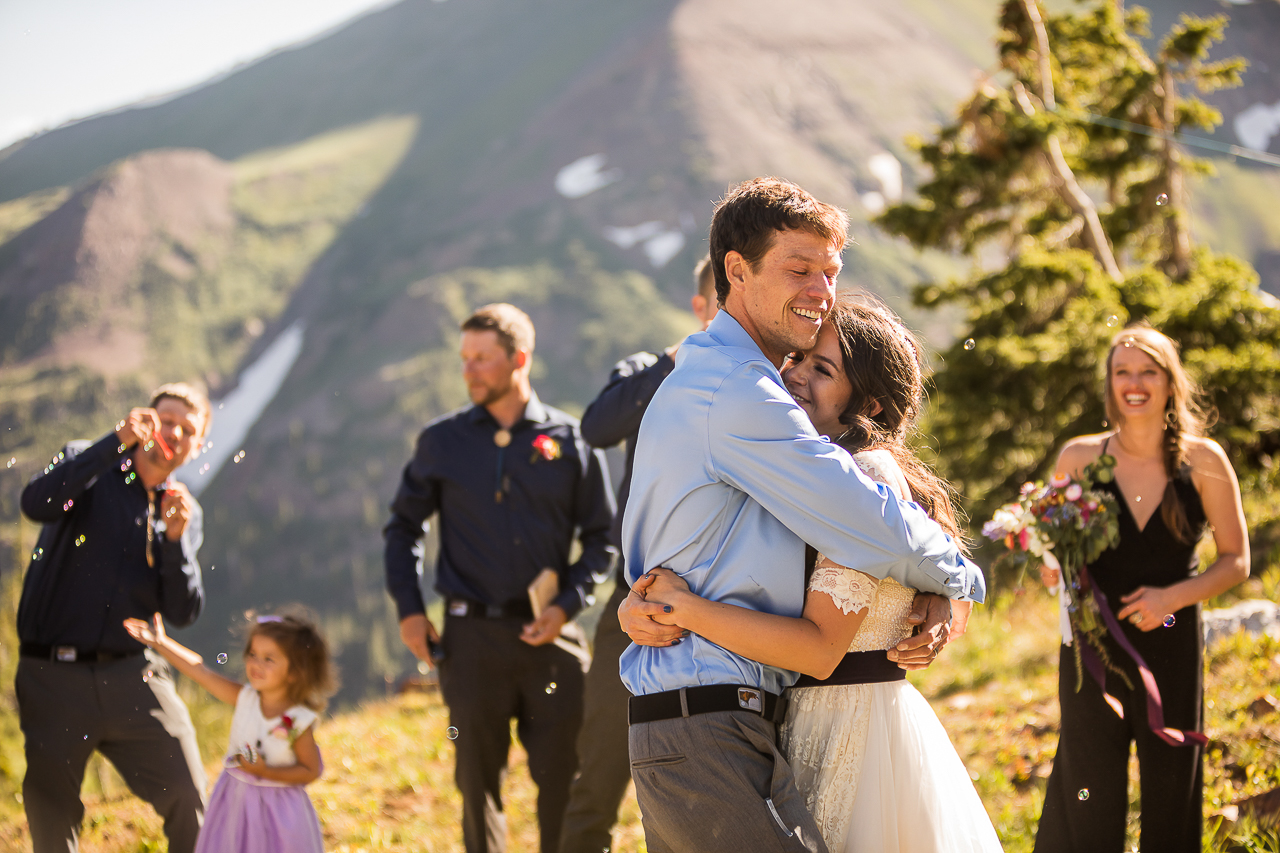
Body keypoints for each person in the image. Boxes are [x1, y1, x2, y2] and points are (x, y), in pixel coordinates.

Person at [616, 177, 985, 853]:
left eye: (831, 272)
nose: (822, 290)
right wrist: (960, 576)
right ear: (736, 270)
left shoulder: (715, 379)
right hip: (711, 729)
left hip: (721, 725)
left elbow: (697, 543)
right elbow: (867, 523)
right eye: (799, 270)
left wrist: (928, 588)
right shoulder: (740, 391)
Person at [383, 303, 616, 853]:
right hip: (468, 646)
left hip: (552, 640)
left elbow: (603, 539)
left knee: (563, 782)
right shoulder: (441, 442)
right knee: (475, 786)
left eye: (482, 359)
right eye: (464, 359)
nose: (469, 371)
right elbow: (402, 528)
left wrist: (565, 604)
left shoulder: (571, 439)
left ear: (520, 359)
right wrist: (410, 610)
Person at [1033, 323, 1249, 853]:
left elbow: (1236, 561)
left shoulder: (1204, 461)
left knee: (1172, 789)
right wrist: (1053, 564)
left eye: (1148, 372)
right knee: (1088, 789)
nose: (1135, 383)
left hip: (1171, 648)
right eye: (1122, 372)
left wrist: (1170, 599)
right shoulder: (1079, 459)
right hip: (1092, 652)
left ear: (1170, 382)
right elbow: (1051, 549)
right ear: (1109, 384)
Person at [557, 256, 720, 853]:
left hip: (724, 610)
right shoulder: (651, 369)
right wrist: (678, 361)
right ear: (699, 308)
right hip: (636, 598)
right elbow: (597, 426)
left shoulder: (762, 384)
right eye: (718, 308)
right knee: (597, 768)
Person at [16, 383, 210, 853]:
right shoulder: (88, 460)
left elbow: (183, 612)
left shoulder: (183, 511)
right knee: (51, 811)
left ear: (197, 447)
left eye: (188, 431)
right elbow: (36, 503)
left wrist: (175, 540)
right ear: (144, 418)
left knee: (189, 795)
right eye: (167, 421)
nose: (175, 434)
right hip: (53, 674)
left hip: (135, 676)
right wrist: (113, 443)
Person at [122, 610, 335, 853]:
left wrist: (266, 771)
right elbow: (201, 671)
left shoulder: (298, 721)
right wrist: (160, 642)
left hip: (278, 813)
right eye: (253, 654)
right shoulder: (245, 698)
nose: (256, 664)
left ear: (296, 672)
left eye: (269, 659)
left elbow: (311, 770)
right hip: (235, 803)